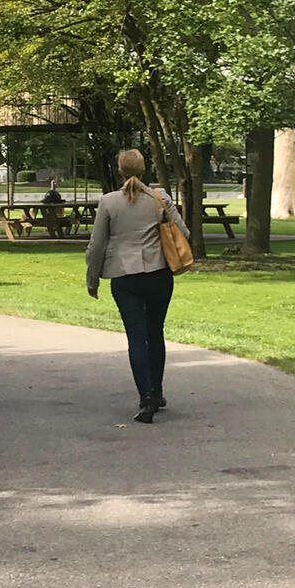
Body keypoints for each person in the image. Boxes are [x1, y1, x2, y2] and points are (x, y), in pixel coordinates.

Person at [85, 149, 189, 424]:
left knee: (136, 336)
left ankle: (145, 399)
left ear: (120, 170)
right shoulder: (160, 198)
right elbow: (184, 233)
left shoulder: (108, 202)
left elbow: (96, 245)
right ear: (145, 170)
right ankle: (157, 391)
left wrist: (92, 279)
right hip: (158, 273)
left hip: (124, 276)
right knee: (155, 332)